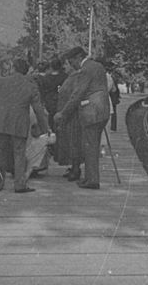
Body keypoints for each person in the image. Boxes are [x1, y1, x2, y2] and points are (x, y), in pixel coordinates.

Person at [0, 58, 49, 193]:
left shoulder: (0, 81)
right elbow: (38, 109)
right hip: (19, 123)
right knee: (19, 154)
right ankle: (19, 184)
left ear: (13, 68)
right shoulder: (30, 85)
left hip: (0, 122)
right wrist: (44, 128)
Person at [54, 47, 110, 190]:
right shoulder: (98, 66)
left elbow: (77, 94)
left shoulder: (85, 70)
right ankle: (90, 177)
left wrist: (63, 113)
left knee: (90, 148)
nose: (72, 64)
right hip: (102, 111)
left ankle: (92, 180)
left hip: (91, 113)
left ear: (79, 57)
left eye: (72, 61)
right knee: (93, 146)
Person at [53, 56, 84, 181]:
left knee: (74, 141)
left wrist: (64, 112)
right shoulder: (70, 78)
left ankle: (76, 168)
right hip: (67, 115)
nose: (64, 67)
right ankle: (73, 166)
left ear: (72, 65)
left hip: (72, 115)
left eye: (66, 64)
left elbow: (74, 97)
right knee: (69, 141)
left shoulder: (76, 78)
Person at [41, 58, 67, 132]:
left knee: (51, 123)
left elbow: (43, 92)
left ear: (51, 67)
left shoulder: (45, 78)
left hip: (49, 103)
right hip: (61, 102)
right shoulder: (65, 77)